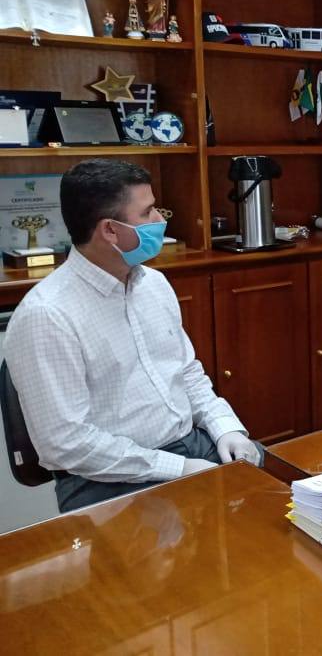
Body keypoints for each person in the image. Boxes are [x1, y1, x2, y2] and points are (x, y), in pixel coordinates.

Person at [5, 159, 262, 512]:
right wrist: (178, 468)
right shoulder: (47, 315)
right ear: (110, 230)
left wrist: (225, 427)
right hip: (107, 479)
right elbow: (66, 443)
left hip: (193, 447)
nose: (160, 220)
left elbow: (186, 372)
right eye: (147, 212)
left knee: (286, 503)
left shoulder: (153, 283)